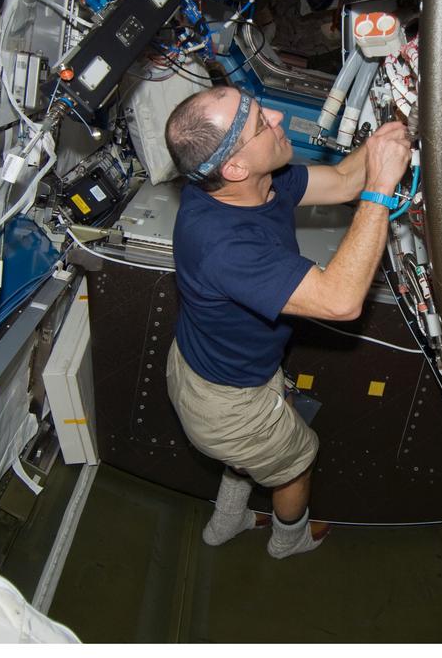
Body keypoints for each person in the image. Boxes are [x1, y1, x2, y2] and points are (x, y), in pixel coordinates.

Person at [163, 85, 411, 558]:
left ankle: (228, 520)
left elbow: (340, 179)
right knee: (297, 461)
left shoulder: (257, 185)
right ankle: (288, 541)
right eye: (261, 121)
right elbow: (341, 301)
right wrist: (380, 190)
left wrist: (392, 135)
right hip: (228, 402)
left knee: (248, 456)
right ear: (234, 167)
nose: (277, 116)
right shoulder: (223, 245)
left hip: (203, 369)